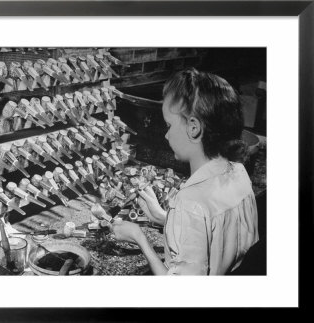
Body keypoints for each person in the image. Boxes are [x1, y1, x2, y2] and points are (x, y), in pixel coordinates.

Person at [110, 68, 259, 275]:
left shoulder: (189, 203)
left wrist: (139, 237)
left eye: (169, 125)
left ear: (193, 128)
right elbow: (215, 236)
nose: (166, 135)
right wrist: (166, 218)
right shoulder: (239, 172)